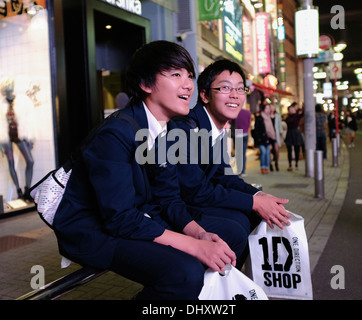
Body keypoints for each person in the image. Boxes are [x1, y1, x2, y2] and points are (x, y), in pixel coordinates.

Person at [52, 41, 247, 300]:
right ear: (145, 84)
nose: (188, 84)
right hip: (93, 230)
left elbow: (169, 198)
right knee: (184, 271)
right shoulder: (115, 134)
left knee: (223, 236)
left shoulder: (164, 131)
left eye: (189, 75)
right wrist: (194, 245)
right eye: (176, 74)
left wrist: (200, 234)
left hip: (140, 216)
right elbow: (119, 218)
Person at [173, 59, 290, 253]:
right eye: (226, 88)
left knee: (252, 217)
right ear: (204, 95)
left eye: (240, 89)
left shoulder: (217, 130)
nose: (235, 95)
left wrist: (259, 196)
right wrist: (255, 203)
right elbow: (195, 191)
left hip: (195, 202)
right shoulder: (184, 129)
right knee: (236, 229)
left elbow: (224, 176)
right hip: (174, 209)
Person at [0, 79, 35, 200]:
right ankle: (19, 191)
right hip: (6, 137)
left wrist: (30, 137)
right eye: (5, 88)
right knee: (11, 164)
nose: (7, 90)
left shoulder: (22, 101)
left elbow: (28, 120)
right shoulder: (1, 104)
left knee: (30, 161)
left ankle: (27, 190)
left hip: (19, 134)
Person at [253, 104, 276, 174]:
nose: (268, 110)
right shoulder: (259, 118)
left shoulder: (270, 118)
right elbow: (256, 129)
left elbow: (272, 129)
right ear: (263, 109)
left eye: (269, 108)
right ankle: (262, 167)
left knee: (268, 153)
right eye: (266, 108)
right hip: (261, 139)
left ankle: (266, 167)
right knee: (263, 152)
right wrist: (258, 139)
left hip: (268, 138)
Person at [285, 103, 304, 171]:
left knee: (297, 149)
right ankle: (290, 164)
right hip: (290, 133)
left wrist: (303, 106)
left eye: (293, 109)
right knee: (289, 150)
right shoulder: (287, 118)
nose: (292, 110)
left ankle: (296, 163)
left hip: (296, 133)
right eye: (290, 109)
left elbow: (302, 113)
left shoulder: (297, 116)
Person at [234, 107, 251, 177]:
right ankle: (243, 170)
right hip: (245, 133)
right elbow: (249, 123)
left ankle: (239, 170)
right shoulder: (247, 112)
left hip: (238, 133)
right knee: (243, 153)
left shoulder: (234, 112)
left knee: (238, 154)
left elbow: (229, 122)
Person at [270, 104, 284, 171]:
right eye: (270, 107)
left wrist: (281, 133)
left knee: (276, 150)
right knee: (269, 151)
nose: (271, 109)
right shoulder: (267, 116)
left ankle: (276, 163)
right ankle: (270, 165)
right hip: (269, 135)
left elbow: (279, 125)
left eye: (272, 107)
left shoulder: (277, 116)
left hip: (276, 135)